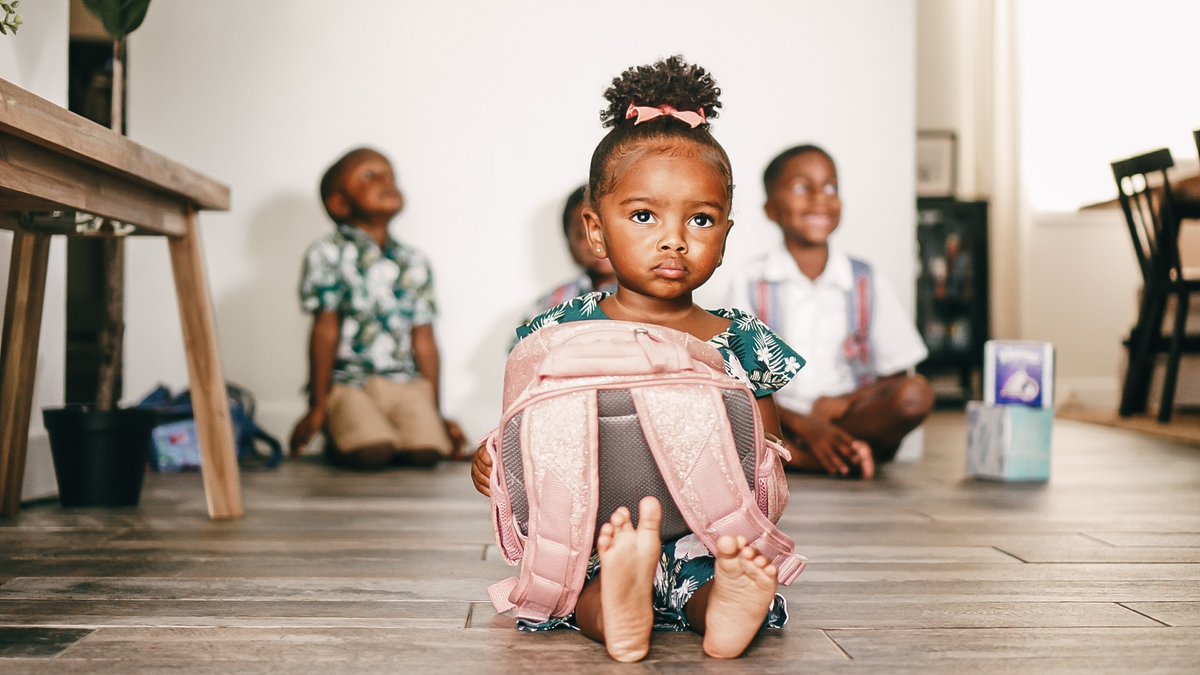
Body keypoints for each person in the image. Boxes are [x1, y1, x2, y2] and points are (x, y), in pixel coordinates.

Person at [471, 56, 803, 662]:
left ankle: (724, 605)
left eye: (700, 219)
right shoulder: (561, 329)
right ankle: (624, 607)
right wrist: (490, 460)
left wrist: (756, 499)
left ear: (726, 234)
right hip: (596, 535)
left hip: (708, 531)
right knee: (583, 585)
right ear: (595, 232)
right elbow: (522, 420)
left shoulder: (739, 336)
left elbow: (767, 454)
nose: (674, 238)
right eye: (644, 216)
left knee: (717, 570)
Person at [726, 144, 933, 480]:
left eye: (830, 187)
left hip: (846, 419)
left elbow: (898, 375)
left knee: (916, 396)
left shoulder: (865, 279)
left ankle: (814, 454)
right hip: (776, 418)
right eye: (800, 187)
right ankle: (829, 457)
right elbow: (738, 381)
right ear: (771, 209)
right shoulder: (751, 281)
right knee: (723, 407)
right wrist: (805, 425)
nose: (820, 198)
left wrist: (848, 400)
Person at [289, 147, 466, 469]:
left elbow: (424, 340)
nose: (387, 181)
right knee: (372, 454)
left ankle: (397, 430)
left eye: (390, 174)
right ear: (339, 203)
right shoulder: (327, 253)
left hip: (406, 385)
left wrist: (436, 410)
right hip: (350, 384)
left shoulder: (414, 262)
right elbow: (325, 330)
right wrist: (317, 406)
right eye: (370, 175)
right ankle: (342, 427)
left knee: (427, 454)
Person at [525, 185, 617, 316]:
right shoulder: (552, 302)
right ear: (569, 242)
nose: (599, 241)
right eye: (583, 234)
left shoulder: (652, 298)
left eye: (608, 230)